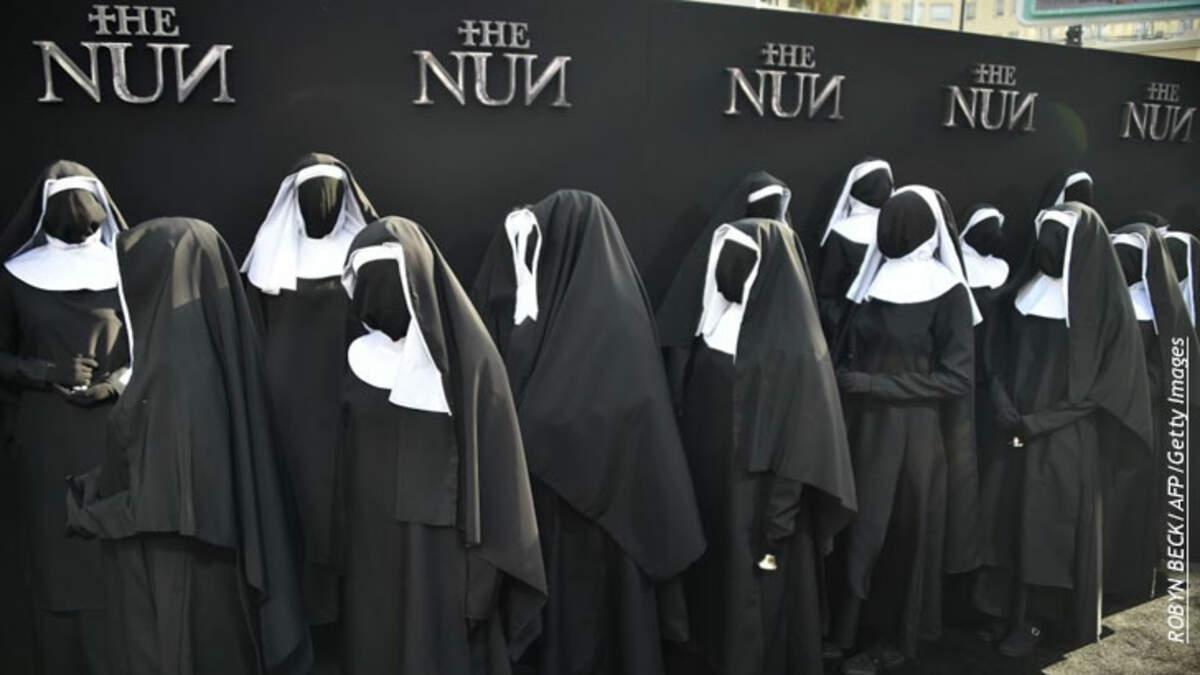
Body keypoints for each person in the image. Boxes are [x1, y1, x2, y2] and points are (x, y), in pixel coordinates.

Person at [472, 190, 705, 675]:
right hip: (555, 516)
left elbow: (613, 416)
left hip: (605, 522)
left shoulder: (616, 319)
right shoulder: (546, 311)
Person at [65, 217, 312, 675]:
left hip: (173, 577)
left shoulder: (175, 377)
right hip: (209, 574)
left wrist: (87, 508)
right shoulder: (212, 363)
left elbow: (168, 504)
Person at [337, 216, 546, 673]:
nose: (380, 291)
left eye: (389, 275)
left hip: (441, 550)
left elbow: (498, 470)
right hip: (368, 545)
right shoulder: (351, 358)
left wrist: (484, 573)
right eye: (368, 278)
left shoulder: (469, 363)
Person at [974, 204, 1152, 656]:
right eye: (1044, 237)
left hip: (1064, 438)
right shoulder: (1024, 292)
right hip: (1013, 429)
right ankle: (1002, 609)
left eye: (1057, 239)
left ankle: (1036, 620)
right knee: (1005, 519)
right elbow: (998, 354)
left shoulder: (1104, 311)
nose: (1046, 248)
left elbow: (1104, 389)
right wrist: (1001, 402)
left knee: (1046, 530)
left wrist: (1038, 423)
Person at [831, 185, 981, 675]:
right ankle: (846, 631)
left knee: (898, 539)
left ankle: (893, 639)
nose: (889, 229)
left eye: (898, 221)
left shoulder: (947, 291)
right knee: (857, 531)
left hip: (911, 438)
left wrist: (873, 384)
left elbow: (957, 378)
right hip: (861, 428)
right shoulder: (874, 276)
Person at [0, 160, 130, 674]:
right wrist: (44, 370)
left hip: (112, 433)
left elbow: (151, 348)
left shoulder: (125, 270)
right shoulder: (15, 276)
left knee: (111, 562)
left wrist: (114, 384)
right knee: (53, 558)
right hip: (44, 438)